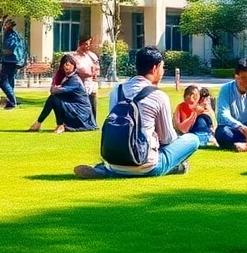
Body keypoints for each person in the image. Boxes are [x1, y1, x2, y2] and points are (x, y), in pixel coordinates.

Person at [73, 46, 200, 179]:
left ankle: (106, 170)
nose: (163, 71)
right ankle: (174, 166)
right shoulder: (158, 96)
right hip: (146, 165)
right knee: (192, 139)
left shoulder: (117, 91)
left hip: (114, 159)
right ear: (155, 68)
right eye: (162, 67)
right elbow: (167, 139)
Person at [28, 54, 97, 133]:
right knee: (54, 99)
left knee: (54, 98)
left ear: (73, 66)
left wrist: (55, 88)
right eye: (63, 65)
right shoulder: (67, 78)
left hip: (81, 114)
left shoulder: (75, 80)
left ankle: (56, 125)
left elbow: (55, 91)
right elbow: (54, 90)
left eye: (67, 64)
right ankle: (42, 123)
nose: (65, 67)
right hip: (73, 108)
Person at [0, 18, 27, 109]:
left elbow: (8, 49)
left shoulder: (10, 35)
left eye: (5, 24)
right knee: (10, 81)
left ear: (8, 26)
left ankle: (12, 101)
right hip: (14, 61)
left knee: (3, 82)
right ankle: (11, 101)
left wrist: (1, 53)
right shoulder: (16, 35)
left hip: (9, 61)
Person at [73, 35, 101, 126]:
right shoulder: (74, 56)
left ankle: (93, 121)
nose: (88, 46)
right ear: (81, 44)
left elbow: (96, 67)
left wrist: (95, 74)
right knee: (80, 102)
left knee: (92, 100)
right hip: (79, 82)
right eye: (86, 44)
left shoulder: (92, 56)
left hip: (91, 82)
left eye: (89, 44)